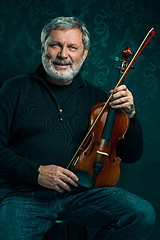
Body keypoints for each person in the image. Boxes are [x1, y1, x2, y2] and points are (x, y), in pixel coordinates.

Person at [0, 16, 155, 240]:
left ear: (84, 54)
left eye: (72, 47)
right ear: (43, 47)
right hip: (23, 194)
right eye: (56, 45)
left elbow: (131, 154)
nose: (63, 55)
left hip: (79, 196)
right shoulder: (14, 89)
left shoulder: (100, 99)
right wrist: (37, 172)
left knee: (141, 214)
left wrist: (131, 114)